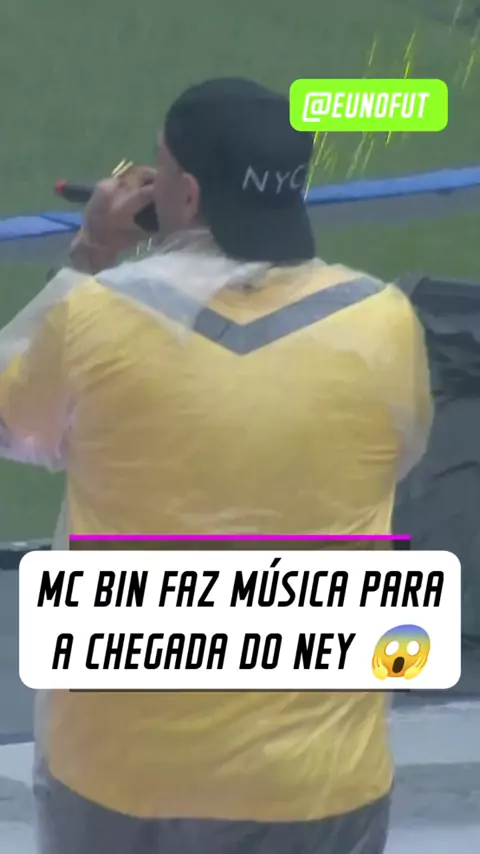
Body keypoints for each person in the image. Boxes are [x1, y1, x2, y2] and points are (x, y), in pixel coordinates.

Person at [0, 78, 432, 854]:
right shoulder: (386, 324)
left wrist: (89, 257)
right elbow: (394, 459)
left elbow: (13, 425)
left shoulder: (96, 314)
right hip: (322, 781)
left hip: (121, 775)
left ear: (188, 194)